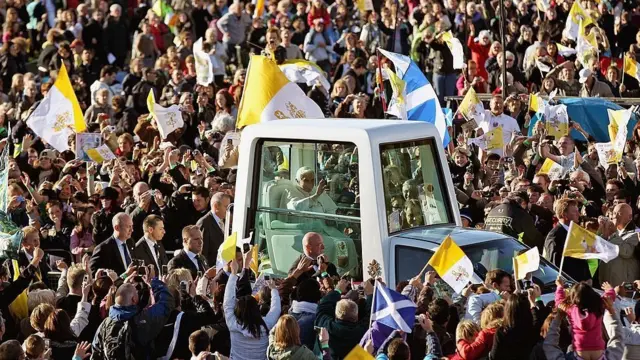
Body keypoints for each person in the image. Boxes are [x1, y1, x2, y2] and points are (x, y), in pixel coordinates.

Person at [91, 277, 175, 359]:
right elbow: (166, 303)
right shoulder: (142, 320)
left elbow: (96, 351)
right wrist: (155, 282)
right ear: (134, 299)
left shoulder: (105, 324)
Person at [224, 258, 281, 360]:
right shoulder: (266, 324)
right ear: (257, 309)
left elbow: (228, 303)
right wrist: (273, 289)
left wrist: (233, 274)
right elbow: (276, 309)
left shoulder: (233, 324)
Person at [543, 199, 591, 283]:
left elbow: (581, 257)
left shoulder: (575, 232)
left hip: (581, 285)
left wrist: (587, 277)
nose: (578, 214)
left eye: (578, 211)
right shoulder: (555, 236)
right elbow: (554, 265)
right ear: (564, 215)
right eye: (574, 212)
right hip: (567, 286)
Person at [599, 203, 640, 286]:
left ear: (630, 217)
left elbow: (626, 252)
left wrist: (615, 233)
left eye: (619, 214)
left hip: (624, 285)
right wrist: (605, 235)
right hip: (607, 283)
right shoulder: (614, 233)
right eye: (614, 213)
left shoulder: (636, 233)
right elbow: (600, 250)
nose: (615, 216)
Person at [196, 192, 231, 266]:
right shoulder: (204, 223)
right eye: (226, 207)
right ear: (216, 206)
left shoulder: (225, 221)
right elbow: (202, 253)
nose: (228, 210)